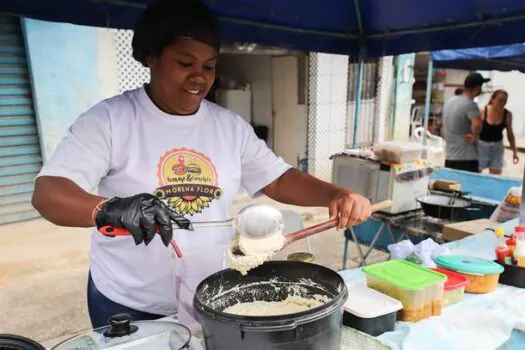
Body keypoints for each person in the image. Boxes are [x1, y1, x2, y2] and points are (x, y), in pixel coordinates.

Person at [31, 0, 371, 329]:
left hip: (209, 296)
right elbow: (48, 193)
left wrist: (336, 193)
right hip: (129, 304)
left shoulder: (229, 127)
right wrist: (109, 209)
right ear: (151, 57)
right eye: (184, 63)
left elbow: (278, 180)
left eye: (208, 66)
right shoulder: (110, 120)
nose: (199, 77)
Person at [443, 72, 490, 172]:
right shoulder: (470, 104)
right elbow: (477, 125)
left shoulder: (450, 101)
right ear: (477, 88)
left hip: (450, 156)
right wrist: (474, 135)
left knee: (451, 185)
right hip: (467, 158)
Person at [477, 89, 519, 174]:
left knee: (496, 174)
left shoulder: (507, 114)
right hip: (481, 146)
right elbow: (475, 130)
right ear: (492, 99)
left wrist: (514, 151)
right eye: (500, 100)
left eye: (505, 101)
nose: (502, 103)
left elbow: (510, 134)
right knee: (476, 172)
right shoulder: (483, 111)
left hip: (497, 147)